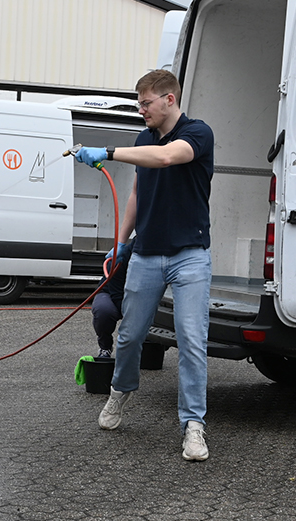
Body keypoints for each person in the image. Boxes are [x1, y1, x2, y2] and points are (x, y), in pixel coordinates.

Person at [74, 69, 214, 462]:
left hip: (190, 255)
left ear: (170, 99)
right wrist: (120, 244)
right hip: (146, 254)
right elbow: (137, 190)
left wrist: (108, 152)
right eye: (139, 103)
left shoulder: (198, 133)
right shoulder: (143, 138)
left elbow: (169, 157)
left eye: (146, 103)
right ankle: (120, 393)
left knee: (191, 339)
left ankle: (193, 426)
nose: (141, 110)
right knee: (130, 335)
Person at [92, 240, 133, 359]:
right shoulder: (123, 256)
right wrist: (128, 314)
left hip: (139, 296)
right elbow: (116, 293)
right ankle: (105, 348)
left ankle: (148, 346)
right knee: (103, 310)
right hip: (112, 293)